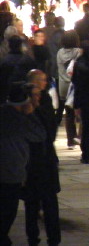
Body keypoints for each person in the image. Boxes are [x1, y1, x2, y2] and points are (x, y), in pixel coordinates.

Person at [0, 82, 43, 245]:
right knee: (8, 209)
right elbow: (40, 135)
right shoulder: (21, 120)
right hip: (12, 169)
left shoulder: (3, 112)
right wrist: (31, 114)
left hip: (7, 168)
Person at [23, 74, 61, 246]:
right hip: (30, 165)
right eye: (35, 94)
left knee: (50, 204)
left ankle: (54, 239)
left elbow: (50, 133)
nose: (38, 97)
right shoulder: (21, 113)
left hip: (46, 163)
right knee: (31, 205)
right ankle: (33, 238)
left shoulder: (45, 106)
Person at [56, 31, 81, 149]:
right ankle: (80, 137)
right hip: (75, 86)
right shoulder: (78, 52)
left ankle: (70, 140)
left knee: (68, 114)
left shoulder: (59, 53)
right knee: (80, 112)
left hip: (63, 86)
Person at [0, 35, 36, 104]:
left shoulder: (4, 61)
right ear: (20, 45)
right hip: (25, 96)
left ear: (9, 45)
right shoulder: (28, 60)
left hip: (8, 96)